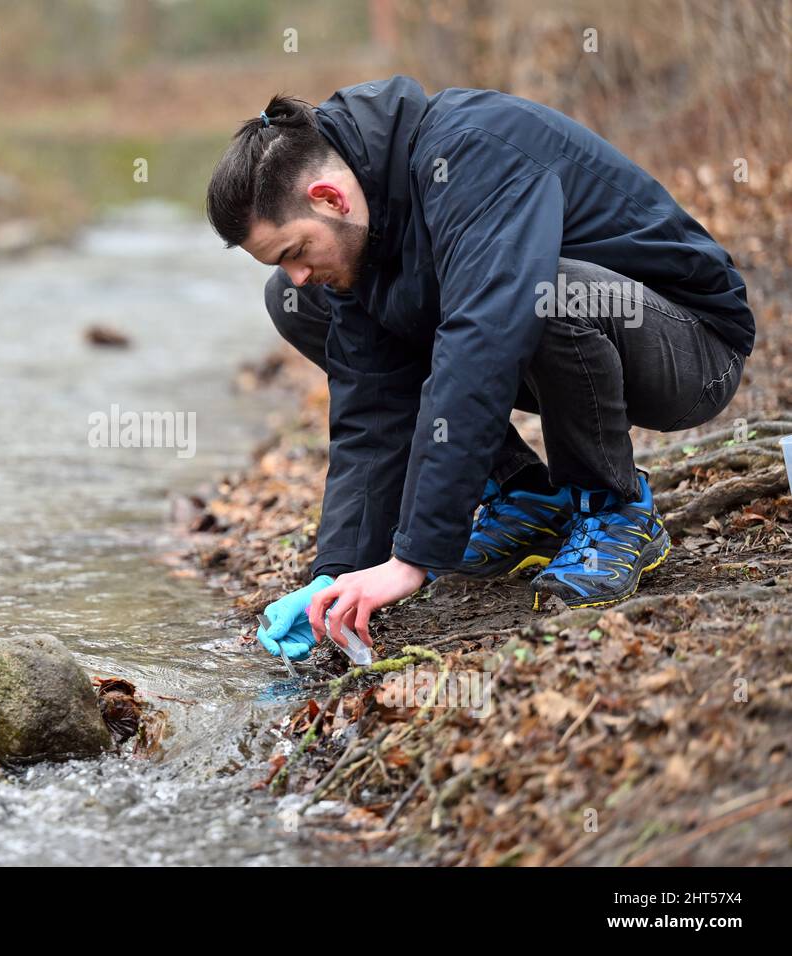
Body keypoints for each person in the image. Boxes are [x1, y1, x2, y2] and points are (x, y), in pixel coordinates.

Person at [204, 76, 755, 662]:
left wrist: (414, 558)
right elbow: (373, 401)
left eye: (294, 251)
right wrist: (338, 572)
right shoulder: (367, 220)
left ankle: (611, 508)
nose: (298, 271)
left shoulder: (472, 153)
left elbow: (482, 343)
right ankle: (524, 498)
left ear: (330, 198)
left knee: (541, 292)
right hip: (568, 343)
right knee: (298, 304)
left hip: (692, 348)